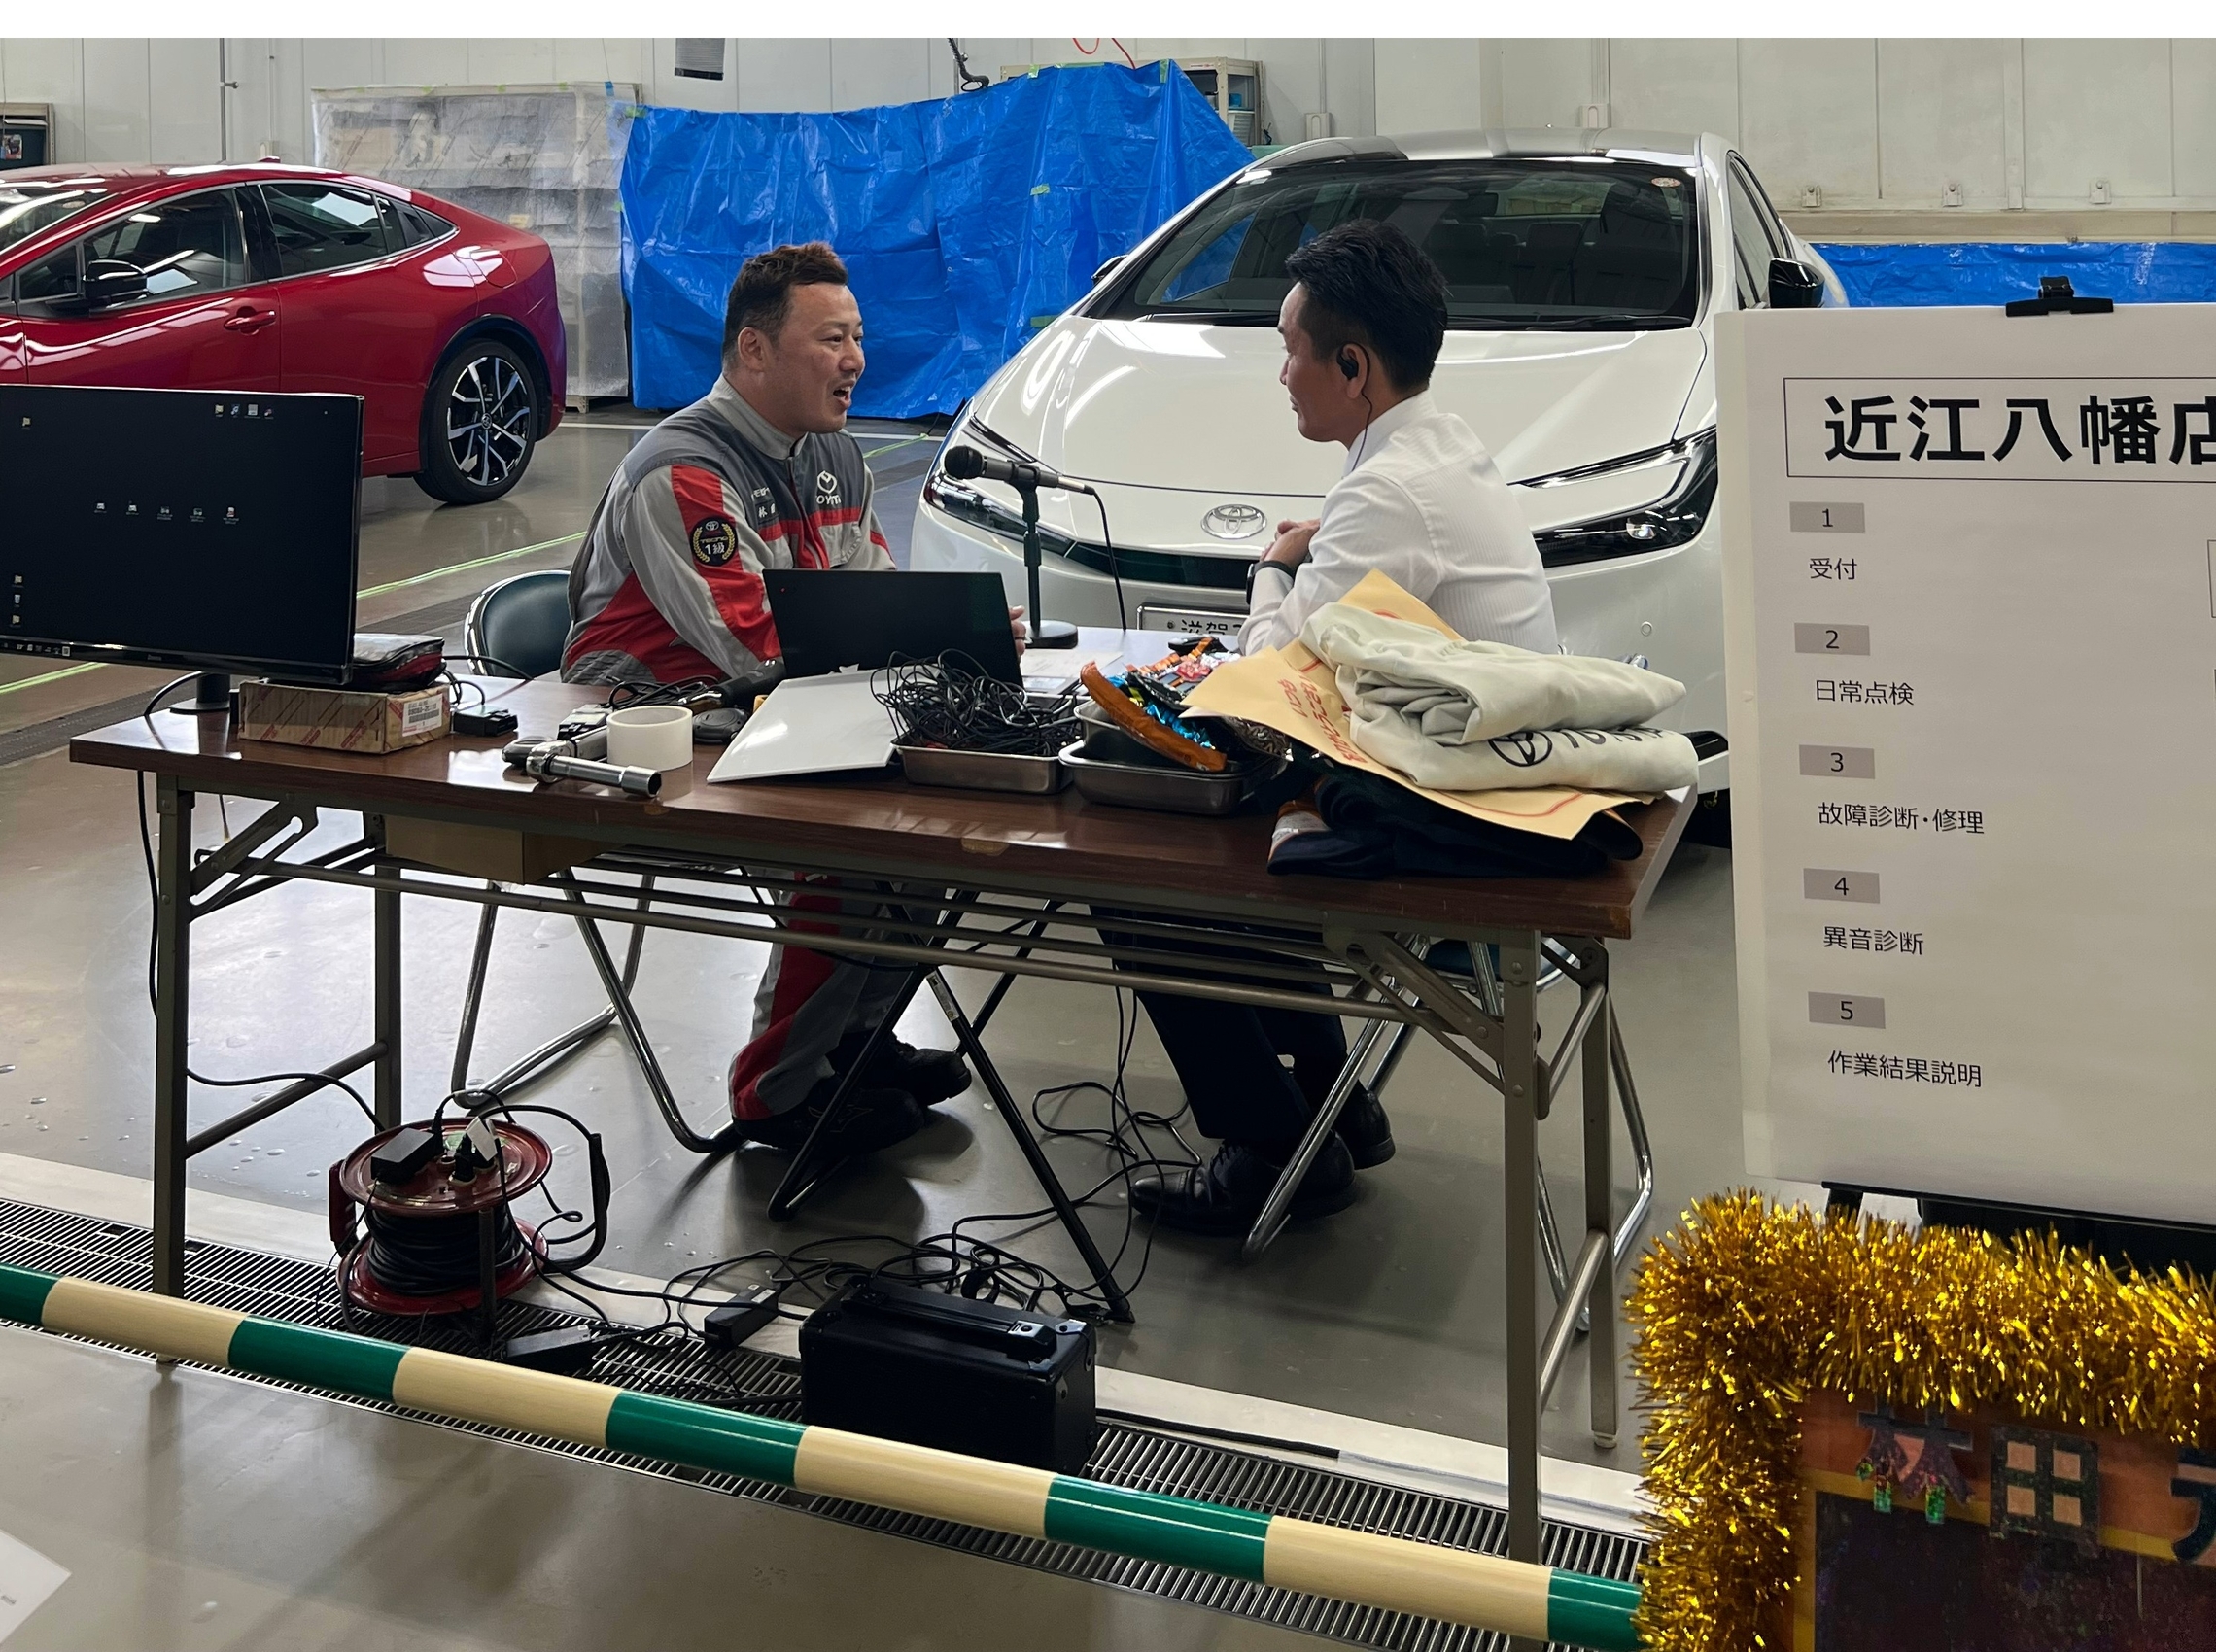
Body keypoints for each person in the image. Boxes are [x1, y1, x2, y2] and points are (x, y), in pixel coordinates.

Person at [1126, 219, 1561, 1235]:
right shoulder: (1439, 450)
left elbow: (1269, 683)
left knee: (1149, 875)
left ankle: (1271, 1145)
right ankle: (1330, 1104)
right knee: (1251, 818)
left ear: (1354, 367)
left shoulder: (1390, 491)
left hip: (1460, 820)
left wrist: (1272, 568)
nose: (1282, 374)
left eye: (1293, 350)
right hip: (1491, 778)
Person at [562, 242, 966, 1159]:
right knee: (849, 835)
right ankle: (775, 1094)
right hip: (652, 727)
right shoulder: (684, 470)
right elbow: (752, 647)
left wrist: (944, 638)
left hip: (768, 708)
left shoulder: (836, 457)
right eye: (832, 339)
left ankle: (852, 1047)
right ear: (753, 350)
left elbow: (872, 597)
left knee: (930, 817)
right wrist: (898, 650)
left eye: (857, 336)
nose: (856, 359)